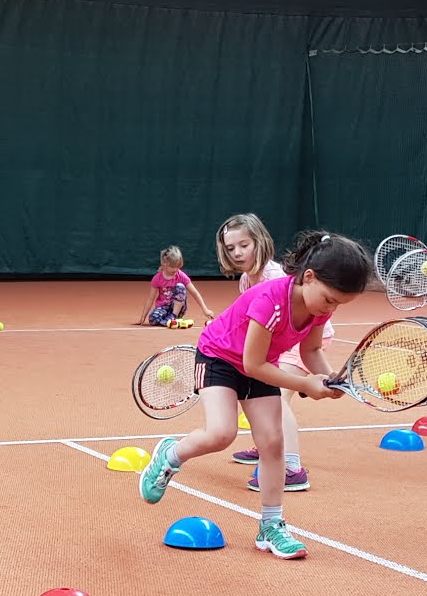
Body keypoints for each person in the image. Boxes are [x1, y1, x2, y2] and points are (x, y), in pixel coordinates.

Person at [137, 232, 372, 560]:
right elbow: (253, 364)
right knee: (221, 433)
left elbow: (311, 350)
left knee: (273, 442)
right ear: (309, 277)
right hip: (219, 357)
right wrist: (305, 384)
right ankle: (170, 455)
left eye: (339, 303)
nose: (331, 307)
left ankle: (271, 526)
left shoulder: (319, 306)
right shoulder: (271, 300)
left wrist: (331, 378)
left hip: (259, 363)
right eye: (330, 299)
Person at [216, 212, 330, 491]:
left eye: (244, 245)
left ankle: (291, 468)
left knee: (277, 398)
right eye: (230, 248)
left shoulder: (274, 276)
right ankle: (267, 446)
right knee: (262, 394)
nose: (237, 253)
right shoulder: (247, 279)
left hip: (300, 339)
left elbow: (298, 322)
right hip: (279, 341)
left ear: (260, 241)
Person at [144, 245, 213, 327]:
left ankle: (174, 316)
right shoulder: (157, 278)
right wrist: (142, 318)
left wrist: (205, 310)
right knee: (153, 319)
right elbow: (150, 299)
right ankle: (170, 321)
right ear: (164, 264)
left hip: (178, 308)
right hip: (163, 307)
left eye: (178, 267)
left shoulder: (181, 275)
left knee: (180, 286)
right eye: (172, 267)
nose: (175, 270)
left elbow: (195, 293)